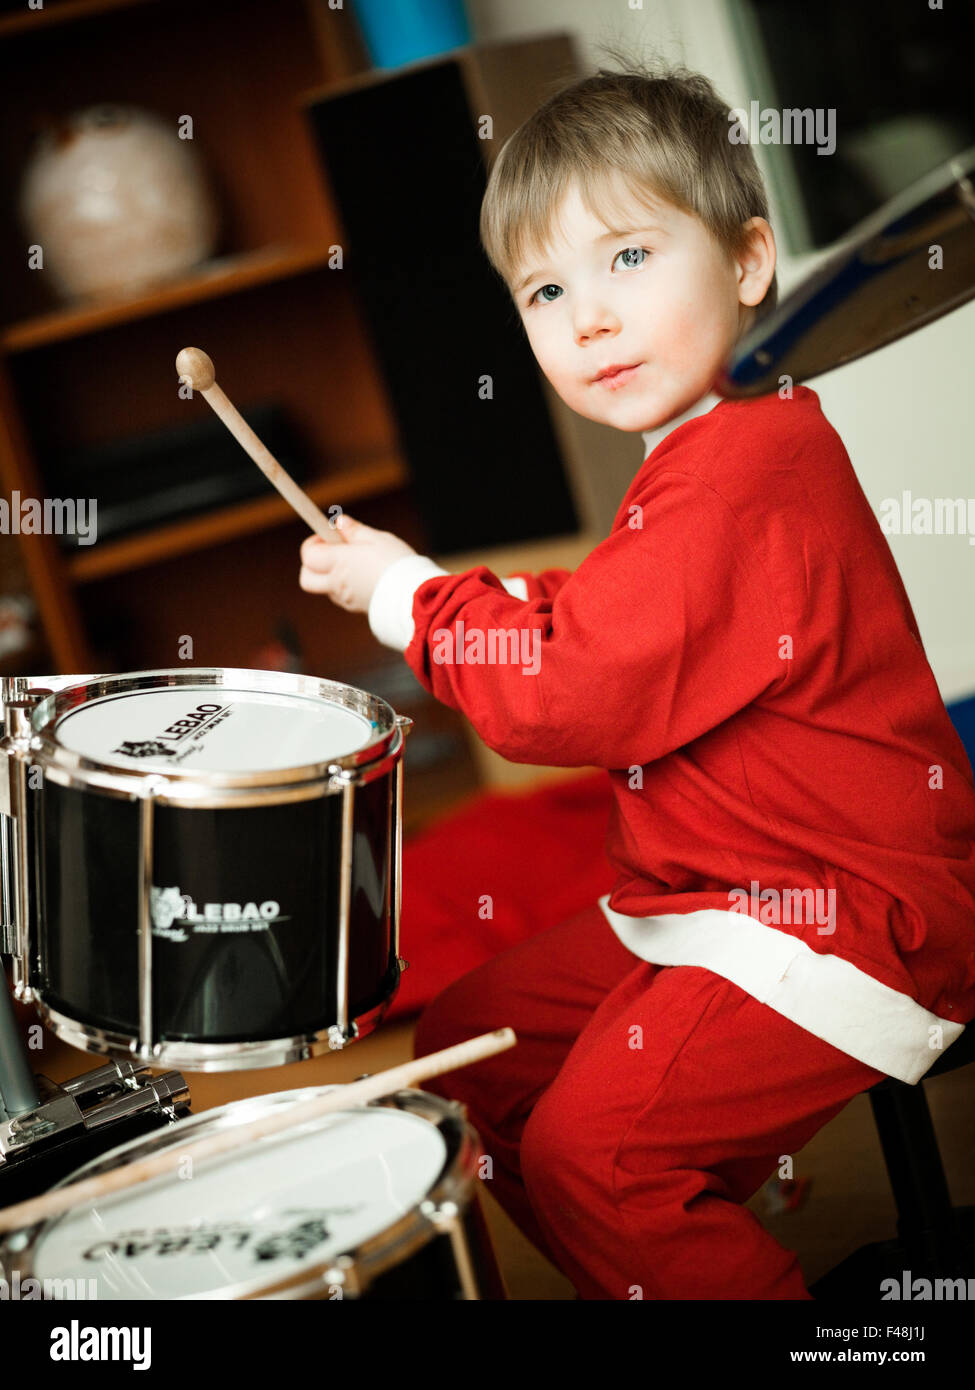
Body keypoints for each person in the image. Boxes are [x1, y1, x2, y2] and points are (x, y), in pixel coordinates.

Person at [298, 62, 975, 1299]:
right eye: (547, 290)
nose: (589, 319)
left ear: (750, 261)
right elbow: (625, 613)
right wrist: (488, 594)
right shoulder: (712, 449)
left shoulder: (736, 471)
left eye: (628, 258)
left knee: (594, 1158)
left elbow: (567, 690)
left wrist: (409, 598)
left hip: (844, 919)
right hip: (722, 899)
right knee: (471, 1049)